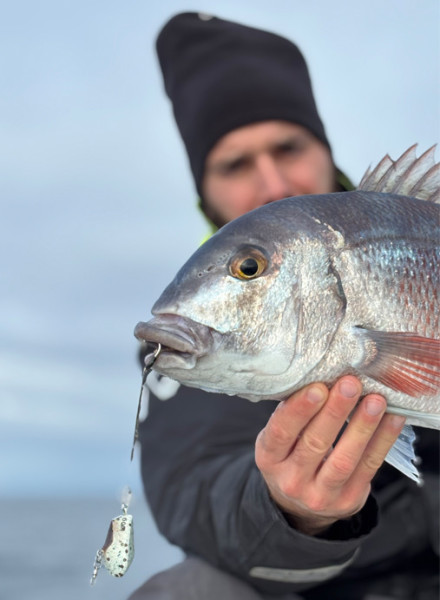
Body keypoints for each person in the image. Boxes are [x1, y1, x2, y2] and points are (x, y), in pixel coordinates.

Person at [129, 12, 439, 600]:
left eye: (287, 147)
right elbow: (194, 495)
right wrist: (289, 510)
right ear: (204, 191)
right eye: (236, 164)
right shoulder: (191, 342)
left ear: (323, 147)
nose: (272, 183)